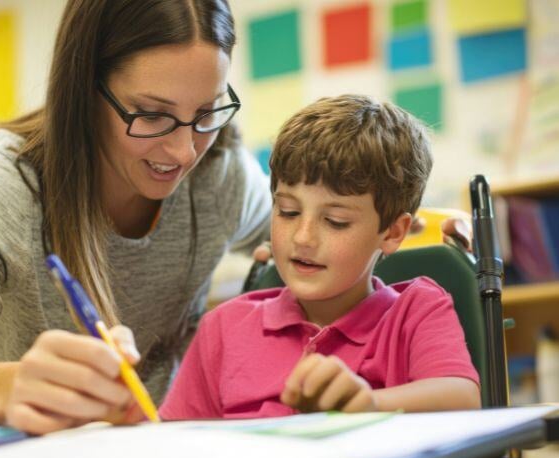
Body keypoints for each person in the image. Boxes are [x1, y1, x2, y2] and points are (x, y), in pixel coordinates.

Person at [0, 0, 471, 435]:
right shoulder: (4, 189)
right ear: (84, 89)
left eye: (205, 113)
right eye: (151, 115)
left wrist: (436, 226)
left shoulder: (217, 173)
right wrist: (15, 385)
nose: (182, 153)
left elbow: (326, 218)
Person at [159, 95, 481, 420]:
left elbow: (463, 398)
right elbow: (174, 439)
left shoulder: (417, 311)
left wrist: (370, 404)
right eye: (288, 212)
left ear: (393, 232)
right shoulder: (223, 328)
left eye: (335, 221)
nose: (303, 237)